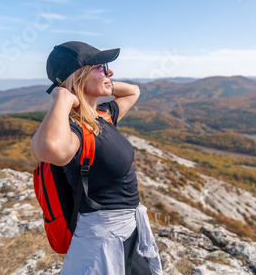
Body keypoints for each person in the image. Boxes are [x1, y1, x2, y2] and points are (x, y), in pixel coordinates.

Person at [31, 41, 162, 275]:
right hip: (102, 238)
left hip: (127, 230)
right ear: (78, 76)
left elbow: (133, 91)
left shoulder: (103, 116)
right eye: (101, 67)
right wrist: (63, 96)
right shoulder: (76, 131)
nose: (110, 71)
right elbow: (48, 148)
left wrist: (104, 82)